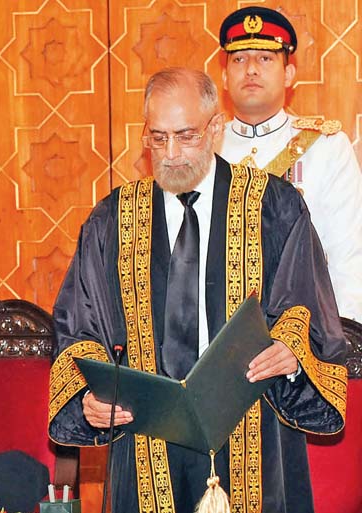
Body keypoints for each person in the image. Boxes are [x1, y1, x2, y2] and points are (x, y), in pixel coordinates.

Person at [48, 68, 347, 513]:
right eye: (158, 138)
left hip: (251, 428)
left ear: (215, 128)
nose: (170, 154)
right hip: (146, 435)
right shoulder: (114, 220)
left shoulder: (273, 207)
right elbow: (80, 325)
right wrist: (87, 398)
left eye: (186, 136)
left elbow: (305, 311)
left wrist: (291, 351)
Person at [217, 6, 362, 320]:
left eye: (265, 58)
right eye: (239, 59)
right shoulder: (204, 148)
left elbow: (348, 257)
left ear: (289, 74)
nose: (251, 69)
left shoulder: (325, 147)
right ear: (225, 77)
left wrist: (342, 341)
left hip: (305, 331)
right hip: (216, 336)